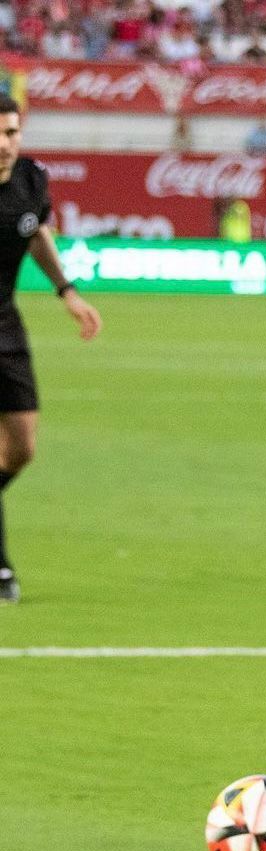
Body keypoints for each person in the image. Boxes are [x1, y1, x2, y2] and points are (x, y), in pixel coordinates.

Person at [0, 95, 102, 603]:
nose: (3, 144)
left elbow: (35, 230)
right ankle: (0, 570)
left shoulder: (31, 180)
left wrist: (68, 292)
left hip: (5, 323)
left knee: (22, 448)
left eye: (11, 133)